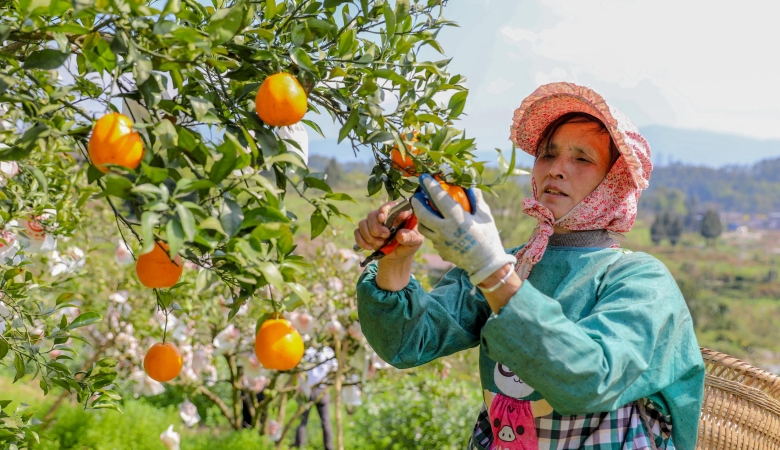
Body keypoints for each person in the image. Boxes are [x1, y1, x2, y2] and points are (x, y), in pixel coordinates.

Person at [354, 82, 704, 450]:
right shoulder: (516, 264)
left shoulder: (640, 281)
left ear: (615, 183)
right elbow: (409, 343)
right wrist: (396, 261)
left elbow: (591, 379)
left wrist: (491, 269)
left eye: (582, 159)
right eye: (547, 155)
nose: (556, 170)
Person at [293, 346, 336, 450]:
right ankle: (329, 447)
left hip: (307, 389)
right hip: (321, 389)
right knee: (325, 421)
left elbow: (299, 370)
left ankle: (298, 445)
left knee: (302, 420)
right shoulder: (327, 351)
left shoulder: (306, 351)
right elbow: (335, 368)